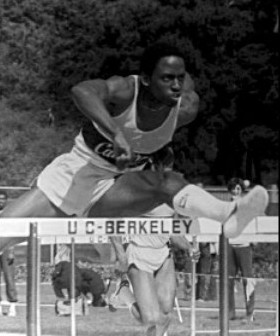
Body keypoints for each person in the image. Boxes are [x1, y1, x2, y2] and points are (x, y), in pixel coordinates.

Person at [0, 43, 268, 328]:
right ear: (146, 79)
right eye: (167, 78)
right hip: (72, 176)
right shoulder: (125, 91)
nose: (176, 86)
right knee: (3, 233)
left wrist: (153, 153)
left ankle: (228, 214)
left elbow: (154, 141)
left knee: (168, 182)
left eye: (180, 78)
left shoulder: (185, 108)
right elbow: (82, 91)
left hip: (115, 188)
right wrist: (117, 133)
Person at [108, 204, 200, 336]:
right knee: (149, 318)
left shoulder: (169, 198)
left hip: (163, 253)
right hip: (138, 253)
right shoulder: (134, 191)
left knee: (166, 312)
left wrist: (189, 247)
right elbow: (112, 222)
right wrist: (121, 256)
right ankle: (123, 291)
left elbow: (174, 232)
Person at [227, 178, 256, 322]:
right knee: (228, 280)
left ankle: (250, 313)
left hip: (244, 245)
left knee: (247, 279)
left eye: (238, 189)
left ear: (241, 191)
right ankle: (229, 312)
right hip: (230, 245)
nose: (235, 191)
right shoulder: (226, 206)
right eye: (233, 189)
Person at [0, 191, 18, 317]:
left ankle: (12, 306)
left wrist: (11, 250)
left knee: (9, 278)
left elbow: (13, 234)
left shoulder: (11, 214)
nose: (1, 201)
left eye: (3, 199)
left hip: (6, 249)